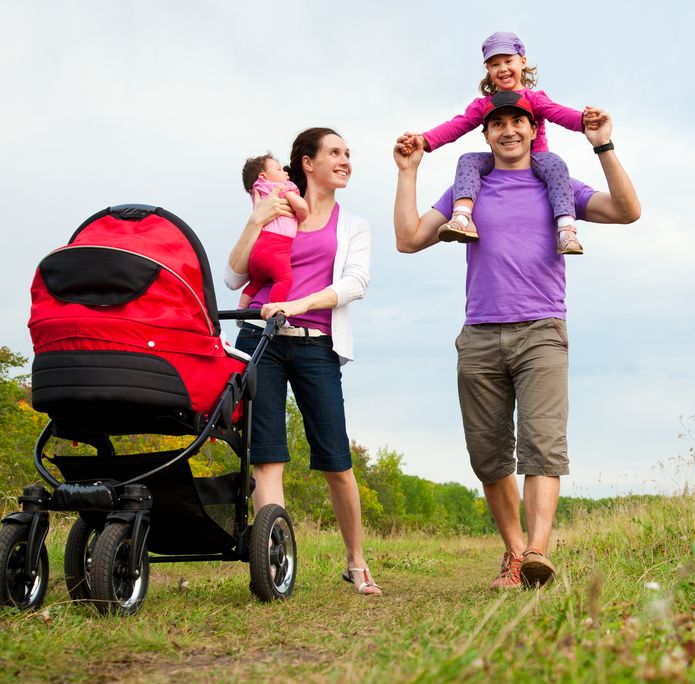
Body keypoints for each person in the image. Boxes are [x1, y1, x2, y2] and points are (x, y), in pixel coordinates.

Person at [393, 92, 640, 590]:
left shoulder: (557, 185)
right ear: (485, 135)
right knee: (488, 455)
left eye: (517, 122)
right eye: (497, 123)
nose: (508, 130)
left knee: (542, 446)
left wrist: (604, 145)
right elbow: (409, 238)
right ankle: (512, 553)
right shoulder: (472, 187)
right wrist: (408, 171)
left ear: (533, 130)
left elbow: (627, 211)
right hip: (480, 335)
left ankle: (537, 552)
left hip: (542, 332)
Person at [226, 127, 382, 595]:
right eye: (334, 152)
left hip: (315, 344)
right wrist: (254, 221)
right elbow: (235, 278)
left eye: (348, 153)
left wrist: (295, 305)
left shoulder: (353, 225)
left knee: (336, 459)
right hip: (260, 339)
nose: (345, 160)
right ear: (307, 163)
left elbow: (355, 284)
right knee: (267, 457)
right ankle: (273, 565)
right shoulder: (274, 215)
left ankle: (356, 561)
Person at [398, 31, 601, 256]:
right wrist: (425, 140)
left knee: (556, 164)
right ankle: (462, 217)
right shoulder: (485, 104)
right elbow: (459, 124)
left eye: (508, 61)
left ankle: (566, 230)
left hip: (537, 160)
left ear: (522, 62)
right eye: (495, 64)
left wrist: (584, 121)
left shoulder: (534, 99)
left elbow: (557, 113)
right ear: (488, 70)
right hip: (500, 160)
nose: (502, 68)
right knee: (468, 161)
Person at [236, 153, 309, 308]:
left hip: (257, 250)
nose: (285, 173)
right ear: (264, 176)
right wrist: (302, 217)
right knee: (284, 279)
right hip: (276, 247)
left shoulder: (258, 190)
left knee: (256, 282)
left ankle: (240, 309)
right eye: (279, 169)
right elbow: (302, 207)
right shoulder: (282, 187)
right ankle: (275, 309)